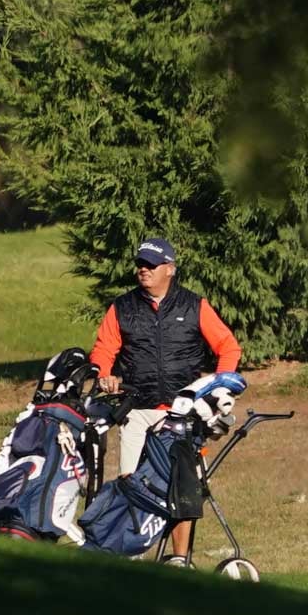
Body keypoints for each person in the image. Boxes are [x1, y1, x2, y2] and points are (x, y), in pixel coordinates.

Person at [90, 236, 242, 566]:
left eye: (150, 265)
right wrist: (105, 373)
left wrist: (219, 387)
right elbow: (103, 350)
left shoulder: (194, 306)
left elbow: (228, 348)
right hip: (136, 409)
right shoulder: (123, 307)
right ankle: (130, 554)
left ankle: (178, 559)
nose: (142, 270)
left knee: (182, 489)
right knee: (131, 485)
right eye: (140, 264)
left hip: (182, 413)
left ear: (169, 270)